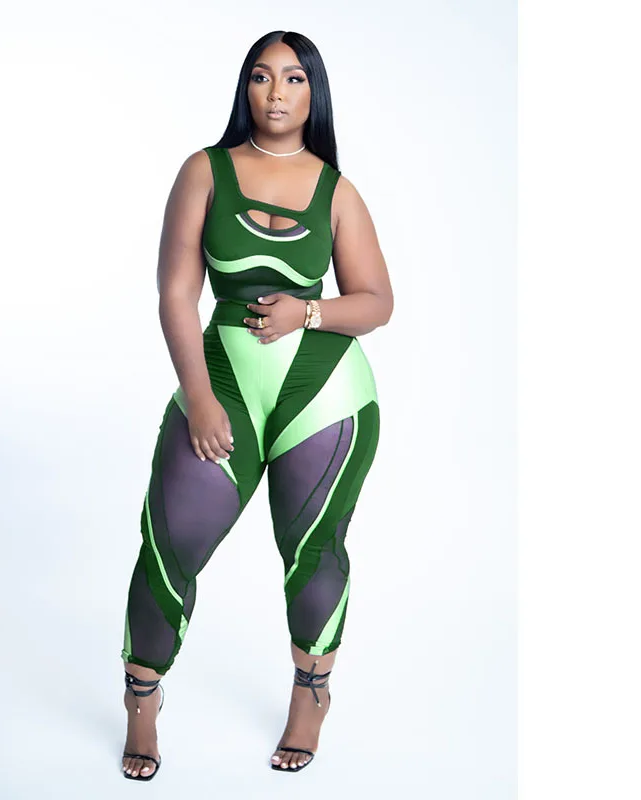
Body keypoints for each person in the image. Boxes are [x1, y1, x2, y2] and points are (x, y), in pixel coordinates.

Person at [120, 30, 394, 780]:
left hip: (327, 394)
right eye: (263, 76)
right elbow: (176, 294)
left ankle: (311, 700)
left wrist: (308, 312)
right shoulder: (204, 171)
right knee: (170, 547)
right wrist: (200, 399)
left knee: (314, 554)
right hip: (223, 385)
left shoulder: (337, 190)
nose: (277, 92)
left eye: (295, 78)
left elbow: (377, 302)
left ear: (314, 93)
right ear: (245, 87)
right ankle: (141, 703)